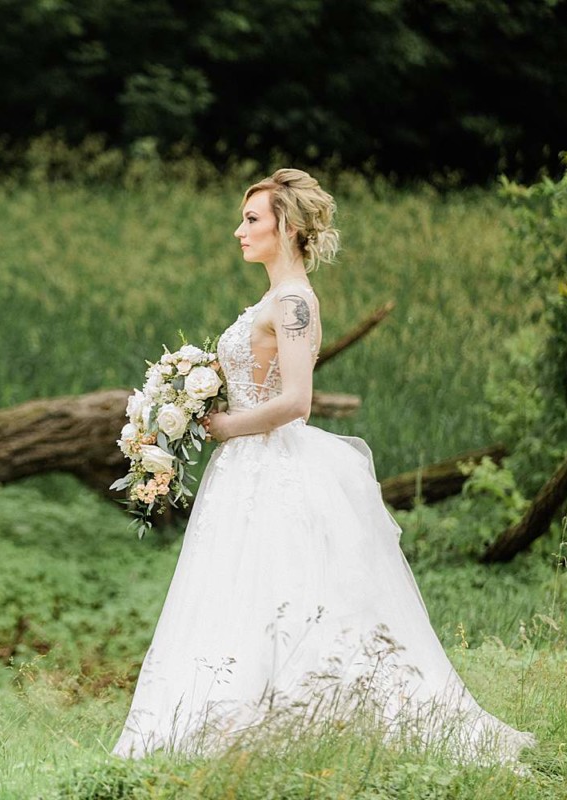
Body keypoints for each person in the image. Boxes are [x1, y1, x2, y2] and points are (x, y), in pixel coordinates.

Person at [111, 169, 535, 765]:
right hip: (245, 466)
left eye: (251, 219)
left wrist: (226, 424)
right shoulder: (274, 298)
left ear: (285, 227)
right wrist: (189, 396)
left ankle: (292, 718)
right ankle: (236, 723)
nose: (239, 230)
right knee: (240, 590)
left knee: (283, 586)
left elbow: (297, 403)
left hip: (269, 460)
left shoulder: (292, 302)